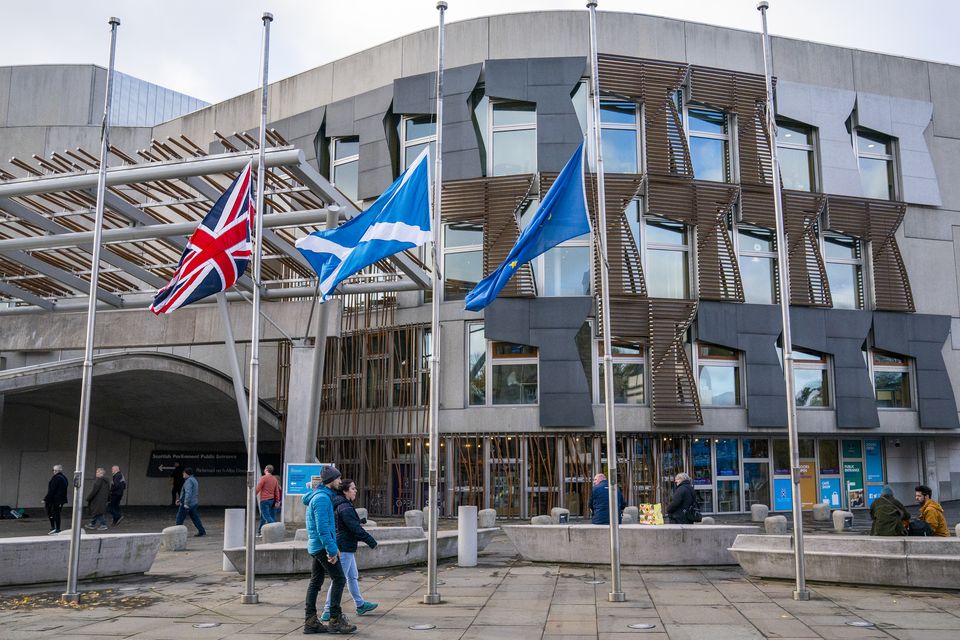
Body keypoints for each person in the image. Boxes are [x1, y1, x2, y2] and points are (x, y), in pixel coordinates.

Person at [302, 466, 356, 635]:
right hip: (321, 547)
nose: (340, 481)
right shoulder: (322, 499)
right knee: (339, 579)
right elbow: (323, 528)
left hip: (318, 546)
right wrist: (332, 550)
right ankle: (335, 620)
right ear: (331, 480)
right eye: (338, 479)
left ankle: (311, 622)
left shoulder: (322, 496)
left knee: (316, 582)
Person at [320, 479, 378, 621]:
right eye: (352, 488)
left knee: (352, 576)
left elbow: (349, 524)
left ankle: (360, 604)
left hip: (347, 546)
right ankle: (327, 610)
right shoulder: (344, 506)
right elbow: (354, 528)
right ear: (345, 491)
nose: (355, 490)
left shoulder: (343, 504)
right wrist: (371, 541)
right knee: (339, 579)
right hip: (344, 547)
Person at [175, 467, 206, 537]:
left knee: (179, 518)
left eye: (184, 473)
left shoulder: (188, 481)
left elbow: (188, 493)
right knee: (195, 518)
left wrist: (185, 503)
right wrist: (180, 499)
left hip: (187, 504)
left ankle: (176, 533)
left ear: (187, 473)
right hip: (193, 503)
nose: (183, 474)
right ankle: (202, 531)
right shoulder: (194, 480)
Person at [43, 464, 69, 534]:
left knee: (52, 513)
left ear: (57, 470)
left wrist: (45, 499)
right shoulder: (64, 477)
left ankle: (54, 528)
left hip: (54, 500)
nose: (54, 471)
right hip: (60, 499)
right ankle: (56, 528)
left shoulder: (56, 478)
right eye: (53, 470)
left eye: (54, 470)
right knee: (57, 513)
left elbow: (52, 490)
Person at [255, 464, 281, 534]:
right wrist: (277, 500)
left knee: (267, 516)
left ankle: (275, 530)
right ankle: (260, 531)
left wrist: (253, 495)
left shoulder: (263, 478)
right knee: (264, 517)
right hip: (272, 500)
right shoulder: (274, 479)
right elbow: (277, 491)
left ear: (266, 469)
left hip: (264, 500)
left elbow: (258, 488)